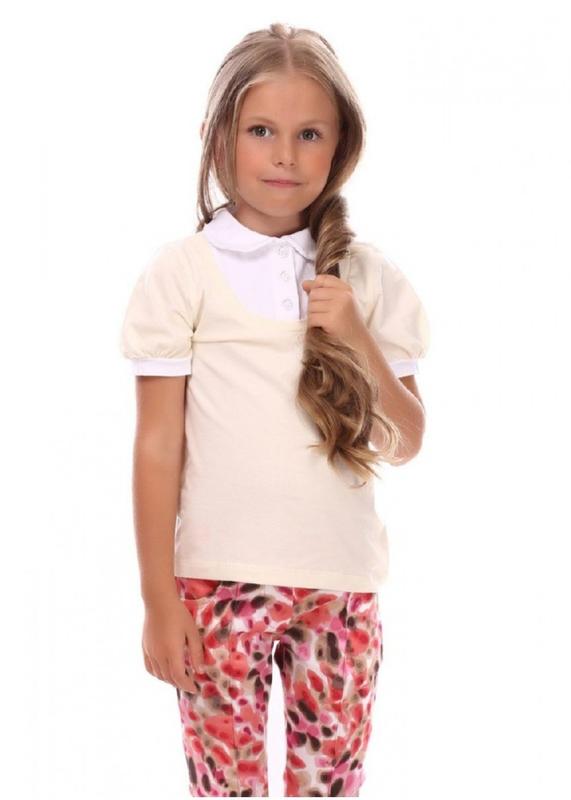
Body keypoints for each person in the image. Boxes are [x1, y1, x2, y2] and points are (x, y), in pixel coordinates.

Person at [119, 21, 430, 798]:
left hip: (340, 586)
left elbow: (405, 441)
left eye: (308, 134)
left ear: (339, 144)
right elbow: (158, 446)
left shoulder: (368, 279)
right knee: (226, 789)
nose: (284, 154)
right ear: (215, 136)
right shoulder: (182, 273)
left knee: (329, 787)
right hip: (216, 587)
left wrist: (354, 335)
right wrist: (158, 599)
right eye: (260, 130)